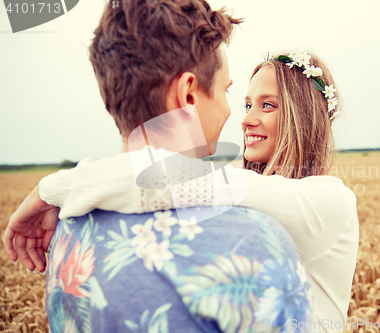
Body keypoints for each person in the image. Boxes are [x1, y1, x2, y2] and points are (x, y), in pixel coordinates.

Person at [2, 0, 316, 332]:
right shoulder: (256, 244)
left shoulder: (65, 229)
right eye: (226, 92)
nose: (232, 113)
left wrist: (54, 187)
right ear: (188, 96)